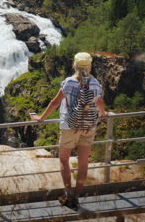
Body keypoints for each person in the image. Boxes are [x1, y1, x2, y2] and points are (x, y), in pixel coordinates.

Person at [30, 52, 107, 208]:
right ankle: (77, 195)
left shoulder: (68, 83)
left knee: (64, 160)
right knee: (83, 164)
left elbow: (54, 103)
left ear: (74, 65)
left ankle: (68, 193)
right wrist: (104, 114)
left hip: (69, 127)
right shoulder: (95, 83)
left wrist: (41, 117)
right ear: (90, 66)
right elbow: (99, 102)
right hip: (88, 126)